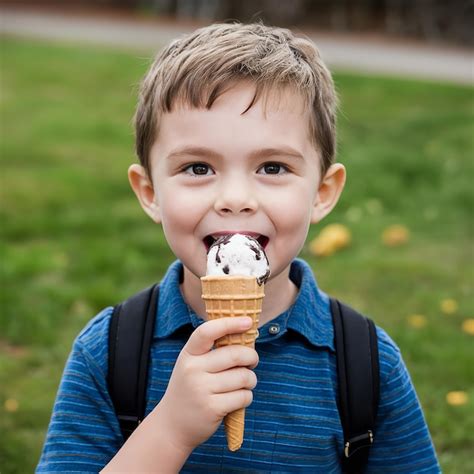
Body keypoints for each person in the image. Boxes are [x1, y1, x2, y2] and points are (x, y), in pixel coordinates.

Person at [37, 23, 440, 472]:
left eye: (272, 166)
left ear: (322, 192)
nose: (234, 199)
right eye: (197, 167)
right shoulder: (110, 352)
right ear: (150, 192)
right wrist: (168, 431)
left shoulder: (365, 363)